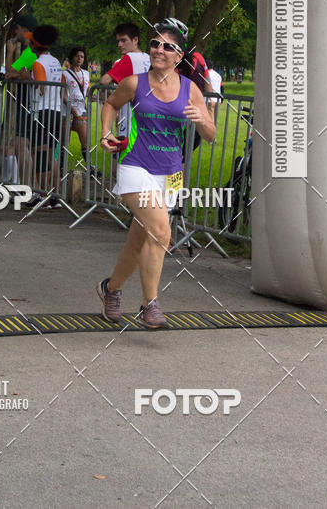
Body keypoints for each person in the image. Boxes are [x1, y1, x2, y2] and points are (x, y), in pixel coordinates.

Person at [97, 20, 216, 329]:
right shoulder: (134, 83)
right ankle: (149, 305)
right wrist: (106, 132)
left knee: (140, 242)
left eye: (167, 47)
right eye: (155, 44)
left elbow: (211, 134)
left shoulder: (190, 89)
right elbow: (110, 104)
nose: (159, 50)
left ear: (179, 56)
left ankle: (111, 289)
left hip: (171, 173)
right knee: (162, 232)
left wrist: (201, 119)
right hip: (135, 165)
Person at [31, 24, 66, 204]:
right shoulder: (56, 61)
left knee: (40, 153)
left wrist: (28, 79)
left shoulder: (38, 63)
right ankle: (55, 195)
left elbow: (41, 88)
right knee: (52, 154)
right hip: (56, 111)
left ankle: (43, 193)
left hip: (43, 112)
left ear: (35, 43)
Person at [5, 10, 39, 189]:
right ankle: (27, 186)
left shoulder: (31, 51)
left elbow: (9, 71)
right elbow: (12, 73)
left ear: (25, 30)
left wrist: (10, 52)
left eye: (17, 29)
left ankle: (28, 187)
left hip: (29, 104)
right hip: (27, 103)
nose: (15, 33)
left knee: (23, 146)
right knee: (24, 146)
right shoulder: (29, 50)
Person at [100, 22, 151, 138]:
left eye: (123, 40)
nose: (119, 44)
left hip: (130, 120)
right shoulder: (148, 57)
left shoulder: (129, 58)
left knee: (125, 148)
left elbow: (104, 80)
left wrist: (111, 98)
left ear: (135, 40)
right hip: (149, 119)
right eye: (118, 41)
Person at [62, 45, 92, 173]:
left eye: (82, 57)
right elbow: (62, 94)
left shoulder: (86, 73)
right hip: (66, 112)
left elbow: (87, 90)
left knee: (85, 140)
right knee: (64, 141)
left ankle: (90, 168)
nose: (79, 59)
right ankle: (60, 167)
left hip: (81, 112)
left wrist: (94, 96)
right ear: (72, 57)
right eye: (77, 56)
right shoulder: (64, 74)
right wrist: (71, 108)